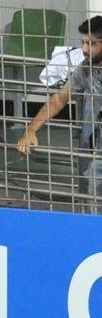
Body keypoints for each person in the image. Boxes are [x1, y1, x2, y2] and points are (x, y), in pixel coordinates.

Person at [17, 15, 102, 214]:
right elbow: (59, 99)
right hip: (97, 147)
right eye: (83, 42)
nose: (84, 49)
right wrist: (31, 130)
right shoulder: (85, 69)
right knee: (91, 191)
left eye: (92, 44)